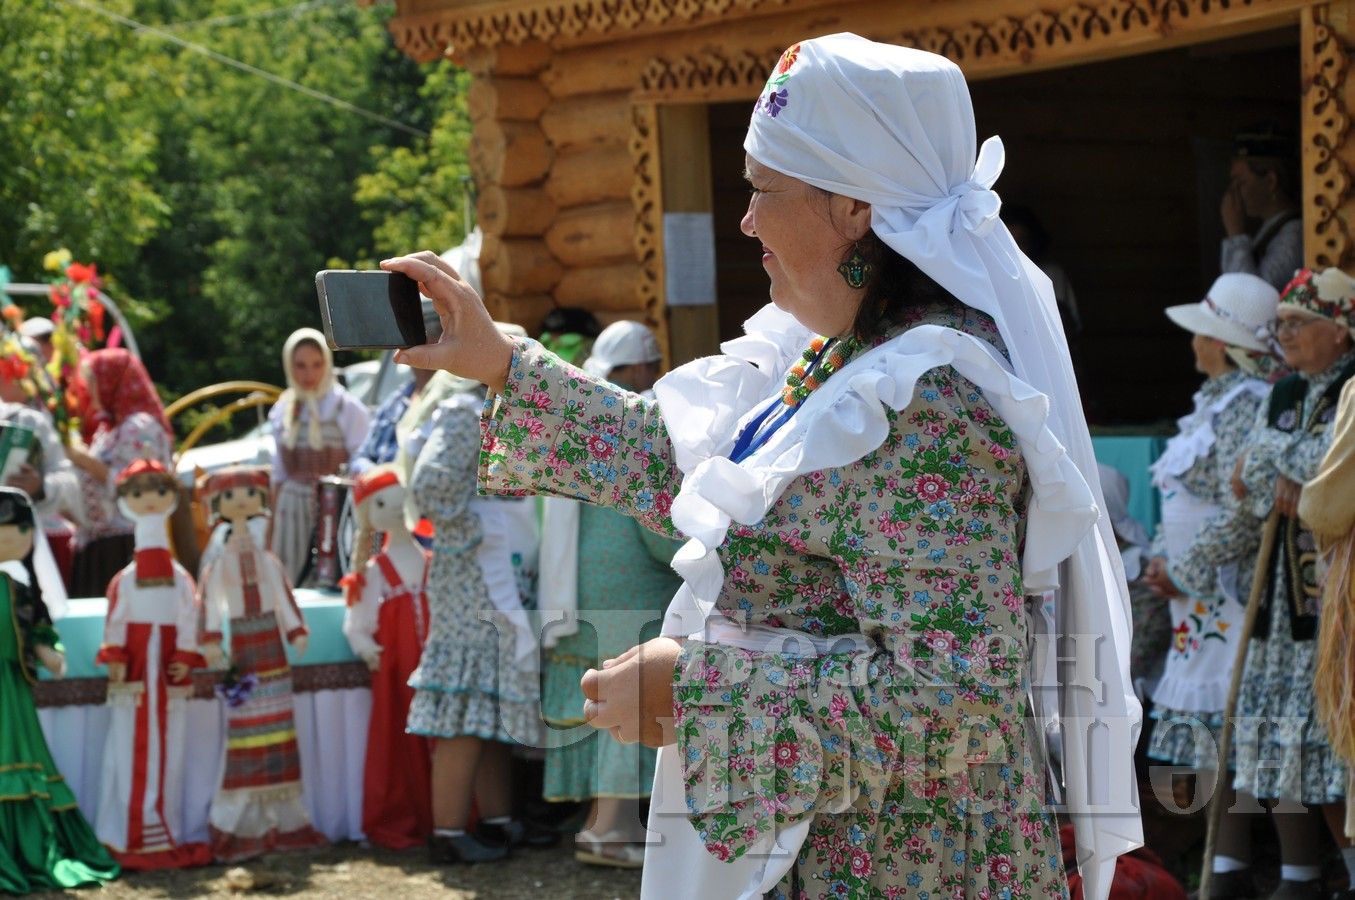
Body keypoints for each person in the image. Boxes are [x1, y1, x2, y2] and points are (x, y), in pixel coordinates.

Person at [386, 32, 1139, 899]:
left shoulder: (931, 401)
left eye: (761, 190)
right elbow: (694, 467)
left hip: (902, 865)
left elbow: (957, 695)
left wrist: (696, 694)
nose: (745, 220)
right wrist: (499, 361)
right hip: (830, 841)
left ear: (853, 207)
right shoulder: (843, 359)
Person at [1167, 267, 1355, 898]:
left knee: (1333, 742)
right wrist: (1275, 468)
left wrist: (1275, 461)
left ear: (1341, 330)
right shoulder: (1284, 397)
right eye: (1281, 326)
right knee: (1281, 738)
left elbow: (1327, 467)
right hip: (1276, 597)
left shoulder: (1347, 391)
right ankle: (1296, 878)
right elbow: (1248, 492)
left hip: (1336, 598)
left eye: (1301, 324)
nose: (1288, 335)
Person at [1137, 274, 1277, 886]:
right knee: (1210, 740)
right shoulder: (1213, 405)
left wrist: (1187, 570)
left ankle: (1234, 860)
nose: (1193, 341)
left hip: (1222, 594)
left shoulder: (1247, 406)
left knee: (1234, 731)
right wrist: (1165, 563)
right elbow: (1181, 502)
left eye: (1202, 331)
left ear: (1221, 341)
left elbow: (1242, 509)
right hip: (1190, 603)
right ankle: (1218, 856)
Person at [538, 321, 682, 868]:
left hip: (587, 577)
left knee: (605, 703)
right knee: (628, 698)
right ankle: (611, 830)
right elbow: (653, 522)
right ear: (643, 365)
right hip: (630, 581)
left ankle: (603, 824)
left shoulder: (586, 415)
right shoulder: (640, 416)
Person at [403, 370, 549, 865]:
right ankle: (447, 831)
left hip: (496, 577)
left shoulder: (498, 409)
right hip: (471, 582)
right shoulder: (466, 410)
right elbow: (433, 484)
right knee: (468, 705)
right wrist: (477, 526)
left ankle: (498, 821)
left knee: (492, 702)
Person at [197, 466, 326, 862]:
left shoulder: (267, 559)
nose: (240, 503)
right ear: (218, 504)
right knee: (247, 729)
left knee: (277, 725)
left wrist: (295, 631)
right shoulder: (220, 561)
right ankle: (241, 820)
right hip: (242, 647)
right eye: (231, 496)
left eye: (247, 495)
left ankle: (284, 819)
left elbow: (282, 596)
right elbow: (211, 602)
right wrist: (212, 640)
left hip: (270, 645)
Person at [0, 486, 120, 893]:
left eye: (14, 528)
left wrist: (47, 649)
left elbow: (37, 629)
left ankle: (26, 846)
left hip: (11, 692)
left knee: (17, 758)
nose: (5, 536)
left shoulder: (19, 589)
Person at [94, 459, 211, 869]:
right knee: (128, 747)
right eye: (137, 492)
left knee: (169, 748)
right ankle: (128, 833)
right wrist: (117, 656)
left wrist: (182, 655)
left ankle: (162, 829)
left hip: (165, 671)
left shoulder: (180, 578)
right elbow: (117, 619)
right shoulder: (124, 581)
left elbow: (187, 615)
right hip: (137, 672)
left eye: (157, 491)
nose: (148, 501)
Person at [341, 465, 433, 850]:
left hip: (432, 660)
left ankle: (440, 811)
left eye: (401, 498)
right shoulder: (375, 571)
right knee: (396, 737)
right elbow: (356, 622)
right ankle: (401, 813)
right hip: (394, 666)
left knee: (436, 736)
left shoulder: (432, 560)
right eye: (383, 502)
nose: (395, 508)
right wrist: (368, 649)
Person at [267, 327, 369, 586]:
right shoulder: (284, 409)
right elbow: (278, 475)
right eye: (300, 365)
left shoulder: (346, 407)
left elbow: (363, 460)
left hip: (333, 506)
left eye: (316, 364)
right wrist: (270, 531)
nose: (309, 373)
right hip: (292, 510)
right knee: (290, 579)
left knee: (331, 578)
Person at [67, 348, 173, 598]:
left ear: (110, 381)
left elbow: (137, 486)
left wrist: (79, 456)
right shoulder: (110, 428)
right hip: (100, 544)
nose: (87, 390)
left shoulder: (139, 427)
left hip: (124, 542)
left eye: (92, 381)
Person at [1219, 128, 1302, 291]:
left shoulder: (1294, 235)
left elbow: (1248, 298)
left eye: (1240, 182)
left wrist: (1235, 233)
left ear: (1271, 181)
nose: (1232, 192)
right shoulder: (1272, 227)